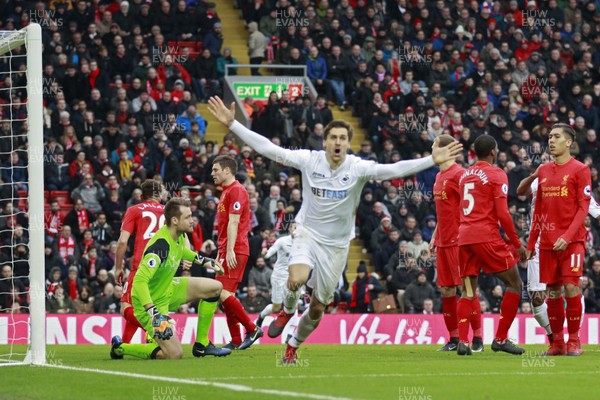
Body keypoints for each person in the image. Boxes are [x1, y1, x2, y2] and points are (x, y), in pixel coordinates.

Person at [207, 96, 462, 364]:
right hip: (307, 233)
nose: (338, 142)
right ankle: (287, 310)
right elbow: (269, 149)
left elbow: (392, 169)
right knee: (295, 278)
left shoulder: (357, 168)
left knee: (318, 308)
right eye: (334, 137)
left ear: (348, 143)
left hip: (337, 246)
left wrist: (430, 160)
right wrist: (233, 123)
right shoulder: (309, 160)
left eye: (343, 138)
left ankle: (293, 345)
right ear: (325, 141)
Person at [110, 198, 230, 359]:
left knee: (215, 287)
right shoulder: (160, 246)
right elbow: (139, 281)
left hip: (169, 289)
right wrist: (153, 312)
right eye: (187, 217)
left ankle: (202, 345)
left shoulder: (178, 235)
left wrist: (204, 261)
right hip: (152, 303)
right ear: (174, 220)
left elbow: (183, 252)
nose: (192, 220)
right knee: (174, 354)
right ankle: (121, 348)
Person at [517, 154, 600, 346]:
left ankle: (573, 337)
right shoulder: (541, 179)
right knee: (539, 297)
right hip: (540, 241)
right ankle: (554, 338)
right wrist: (533, 175)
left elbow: (592, 209)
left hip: (568, 240)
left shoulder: (574, 177)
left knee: (571, 286)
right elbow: (520, 190)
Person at [526, 123, 592, 356]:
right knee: (552, 292)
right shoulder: (543, 170)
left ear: (569, 142)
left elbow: (583, 208)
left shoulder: (580, 170)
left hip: (572, 241)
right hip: (547, 243)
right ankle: (557, 344)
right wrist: (531, 242)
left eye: (556, 137)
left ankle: (574, 341)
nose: (550, 140)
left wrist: (567, 236)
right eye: (550, 137)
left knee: (572, 287)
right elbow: (539, 210)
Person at [457, 135, 526, 356]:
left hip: (465, 237)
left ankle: (463, 342)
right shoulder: (497, 174)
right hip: (485, 236)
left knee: (468, 291)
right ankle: (500, 339)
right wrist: (517, 243)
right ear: (494, 152)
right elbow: (503, 214)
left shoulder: (464, 175)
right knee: (515, 284)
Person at [430, 134, 483, 352]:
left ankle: (477, 337)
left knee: (467, 289)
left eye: (434, 146)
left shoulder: (460, 175)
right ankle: (453, 339)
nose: (431, 151)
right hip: (443, 241)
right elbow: (444, 211)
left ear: (445, 150)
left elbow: (470, 208)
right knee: (446, 290)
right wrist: (435, 234)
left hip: (459, 241)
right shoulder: (439, 176)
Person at [210, 155, 263, 350]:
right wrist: (221, 251)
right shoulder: (225, 192)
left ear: (227, 170)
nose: (212, 174)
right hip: (227, 249)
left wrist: (229, 250)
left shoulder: (238, 191)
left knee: (223, 293)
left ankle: (252, 328)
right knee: (226, 296)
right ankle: (236, 340)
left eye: (215, 170)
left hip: (237, 249)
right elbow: (224, 226)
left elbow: (234, 222)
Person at [114, 180, 167, 343]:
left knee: (126, 307)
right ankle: (123, 346)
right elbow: (184, 238)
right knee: (142, 306)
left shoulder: (134, 210)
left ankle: (160, 330)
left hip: (143, 265)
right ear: (159, 194)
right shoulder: (169, 211)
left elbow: (123, 241)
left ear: (142, 196)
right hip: (164, 267)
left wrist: (118, 268)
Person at [256, 222, 301, 337]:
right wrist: (265, 254)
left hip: (293, 277)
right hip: (278, 276)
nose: (295, 229)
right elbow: (270, 252)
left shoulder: (303, 244)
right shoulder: (282, 241)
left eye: (298, 227)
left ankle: (290, 333)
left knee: (294, 303)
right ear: (290, 229)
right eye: (293, 227)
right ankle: (261, 316)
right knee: (276, 307)